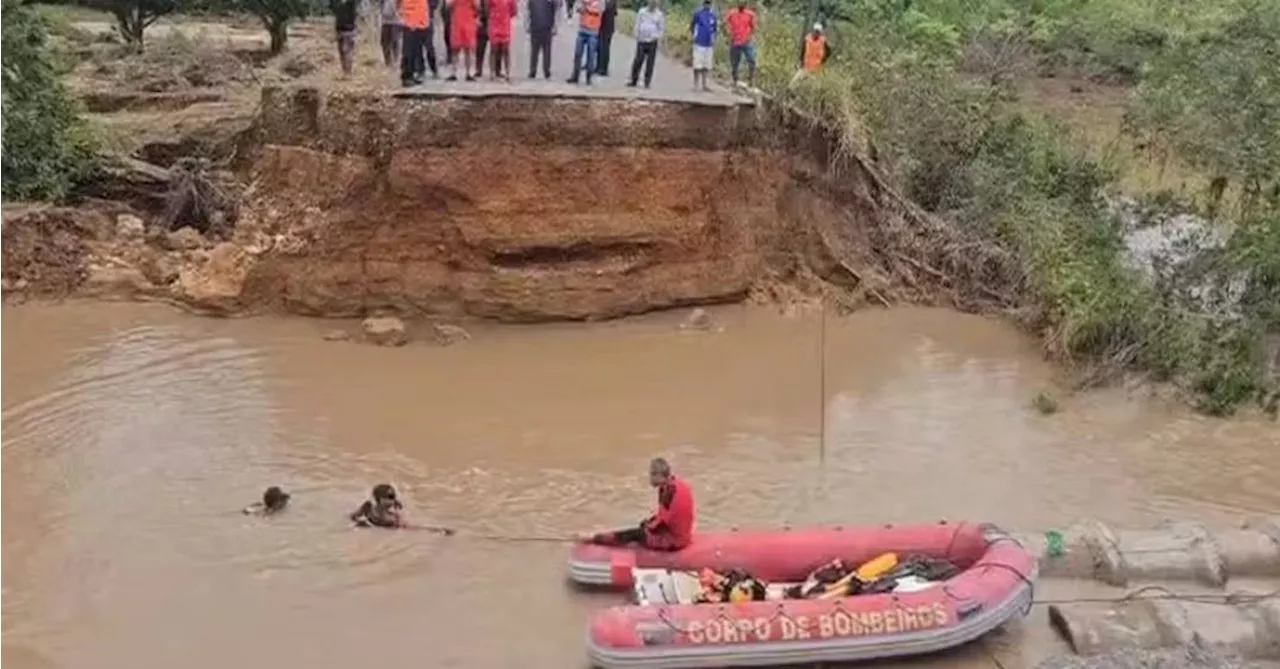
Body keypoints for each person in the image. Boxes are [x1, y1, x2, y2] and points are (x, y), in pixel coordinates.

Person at [578, 458, 696, 551]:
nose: (650, 479)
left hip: (675, 541)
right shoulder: (676, 484)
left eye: (651, 475)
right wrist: (649, 524)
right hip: (683, 535)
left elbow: (664, 522)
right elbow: (667, 516)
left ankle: (595, 538)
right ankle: (601, 537)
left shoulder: (668, 492)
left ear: (659, 476)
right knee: (644, 525)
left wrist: (646, 528)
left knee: (634, 533)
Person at [350, 483, 457, 534]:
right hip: (374, 527)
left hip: (387, 528)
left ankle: (440, 531)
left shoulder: (392, 516)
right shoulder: (368, 506)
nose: (391, 501)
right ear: (379, 499)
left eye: (392, 498)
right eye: (388, 498)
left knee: (416, 528)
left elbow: (409, 527)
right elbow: (353, 516)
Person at [627, 0, 663, 89]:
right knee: (638, 60)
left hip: (652, 41)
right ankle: (634, 80)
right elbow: (637, 24)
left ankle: (647, 82)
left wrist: (656, 36)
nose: (653, 3)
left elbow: (661, 28)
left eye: (655, 2)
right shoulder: (642, 12)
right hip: (642, 40)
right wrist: (636, 34)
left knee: (650, 63)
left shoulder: (659, 15)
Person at [566, 0, 602, 85]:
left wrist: (587, 7)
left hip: (593, 30)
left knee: (591, 55)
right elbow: (578, 8)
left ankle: (589, 77)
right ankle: (575, 76)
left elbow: (598, 10)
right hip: (582, 29)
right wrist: (583, 8)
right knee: (578, 54)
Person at [724, 0, 756, 88]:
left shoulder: (750, 14)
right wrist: (729, 33)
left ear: (746, 4)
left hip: (746, 41)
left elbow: (753, 27)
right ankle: (735, 79)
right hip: (735, 40)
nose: (741, 5)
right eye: (740, 3)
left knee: (752, 60)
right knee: (735, 62)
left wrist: (749, 37)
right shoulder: (732, 13)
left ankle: (751, 80)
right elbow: (725, 23)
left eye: (743, 3)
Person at [400, 0, 433, 85]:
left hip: (421, 21)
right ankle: (406, 76)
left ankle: (413, 74)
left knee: (416, 50)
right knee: (408, 50)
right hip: (410, 21)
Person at [446, 0, 480, 80]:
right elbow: (448, 7)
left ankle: (468, 73)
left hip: (468, 22)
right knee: (455, 49)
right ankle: (453, 73)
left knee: (468, 49)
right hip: (457, 22)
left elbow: (478, 7)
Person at [689, 0, 717, 92]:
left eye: (709, 3)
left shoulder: (713, 16)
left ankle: (704, 84)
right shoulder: (698, 14)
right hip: (699, 42)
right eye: (706, 3)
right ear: (703, 4)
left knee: (706, 65)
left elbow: (714, 29)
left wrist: (714, 39)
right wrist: (694, 35)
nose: (707, 5)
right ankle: (695, 84)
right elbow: (692, 25)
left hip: (708, 43)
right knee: (697, 64)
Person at [526, 0, 558, 79]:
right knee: (535, 51)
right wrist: (527, 24)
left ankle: (546, 71)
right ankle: (533, 71)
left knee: (546, 51)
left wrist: (555, 26)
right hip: (535, 26)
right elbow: (528, 12)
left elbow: (556, 13)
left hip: (547, 27)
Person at [486, 0, 517, 80]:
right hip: (494, 24)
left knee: (506, 50)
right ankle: (492, 73)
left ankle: (507, 73)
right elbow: (487, 8)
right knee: (493, 49)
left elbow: (514, 11)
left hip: (505, 25)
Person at [331, 0, 359, 78]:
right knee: (342, 52)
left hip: (349, 30)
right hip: (340, 30)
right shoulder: (338, 4)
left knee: (347, 51)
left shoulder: (351, 4)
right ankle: (345, 71)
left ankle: (348, 72)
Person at [594, 0, 618, 76]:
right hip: (600, 26)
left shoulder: (612, 2)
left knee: (605, 48)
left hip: (608, 27)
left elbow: (607, 9)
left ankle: (604, 69)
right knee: (599, 47)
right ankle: (598, 66)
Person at [379, 0, 403, 68]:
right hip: (385, 20)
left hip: (397, 20)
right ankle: (388, 62)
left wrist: (398, 11)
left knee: (395, 40)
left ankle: (396, 61)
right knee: (384, 42)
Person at [474, 0, 490, 78]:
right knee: (480, 48)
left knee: (497, 48)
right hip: (482, 22)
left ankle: (497, 70)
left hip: (494, 20)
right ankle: (478, 69)